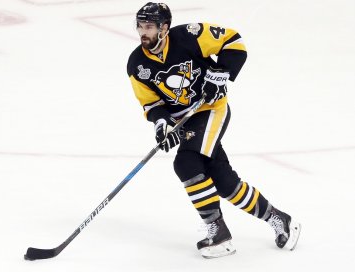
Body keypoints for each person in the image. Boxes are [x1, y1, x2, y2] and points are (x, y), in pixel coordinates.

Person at [126, 2, 301, 258]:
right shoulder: (136, 64)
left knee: (186, 163)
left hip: (211, 109)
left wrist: (219, 74)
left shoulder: (189, 36)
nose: (143, 32)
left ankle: (218, 232)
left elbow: (234, 42)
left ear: (164, 28)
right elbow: (152, 104)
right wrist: (163, 125)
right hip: (186, 119)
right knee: (224, 181)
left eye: (149, 26)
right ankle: (279, 218)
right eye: (140, 26)